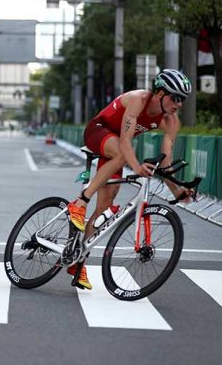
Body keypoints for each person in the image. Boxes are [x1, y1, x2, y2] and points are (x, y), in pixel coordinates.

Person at [66, 69, 196, 290]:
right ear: (161, 93)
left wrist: (176, 191)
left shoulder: (171, 122)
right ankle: (79, 203)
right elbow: (126, 142)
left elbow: (165, 163)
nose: (180, 104)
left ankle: (77, 261)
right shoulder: (138, 99)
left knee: (104, 210)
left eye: (183, 99)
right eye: (176, 98)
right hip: (99, 130)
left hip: (116, 147)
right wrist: (136, 167)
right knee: (119, 153)